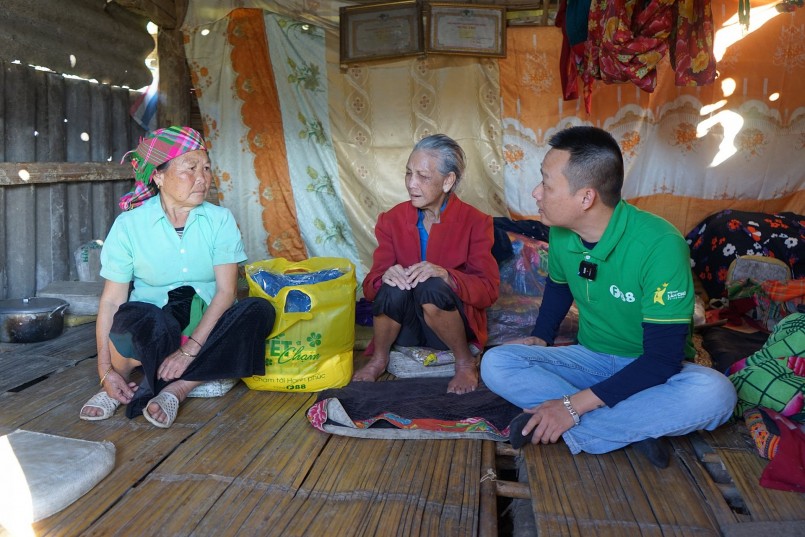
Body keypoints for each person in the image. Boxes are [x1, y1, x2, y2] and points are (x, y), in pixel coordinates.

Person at [480, 126, 737, 466]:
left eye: (547, 184)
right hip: (591, 359)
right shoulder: (562, 233)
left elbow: (662, 360)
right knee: (497, 362)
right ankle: (633, 427)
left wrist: (572, 406)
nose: (536, 192)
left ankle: (579, 424)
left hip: (650, 370)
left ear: (586, 198)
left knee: (716, 393)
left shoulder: (659, 245)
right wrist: (541, 337)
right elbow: (559, 285)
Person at [79, 126, 275, 428]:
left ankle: (178, 388)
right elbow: (111, 302)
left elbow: (226, 292)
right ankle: (118, 384)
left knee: (258, 310)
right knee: (135, 316)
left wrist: (188, 350)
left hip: (206, 329)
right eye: (190, 169)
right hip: (154, 332)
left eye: (206, 168)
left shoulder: (220, 220)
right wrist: (104, 371)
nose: (202, 178)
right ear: (158, 176)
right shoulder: (129, 225)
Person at [353, 134, 499, 394]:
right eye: (408, 173)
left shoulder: (476, 222)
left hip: (449, 329)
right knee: (392, 286)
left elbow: (488, 291)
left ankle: (464, 362)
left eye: (422, 176)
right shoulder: (391, 220)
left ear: (448, 181)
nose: (411, 183)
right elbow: (370, 288)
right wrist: (384, 277)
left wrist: (447, 276)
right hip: (405, 329)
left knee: (430, 285)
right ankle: (379, 358)